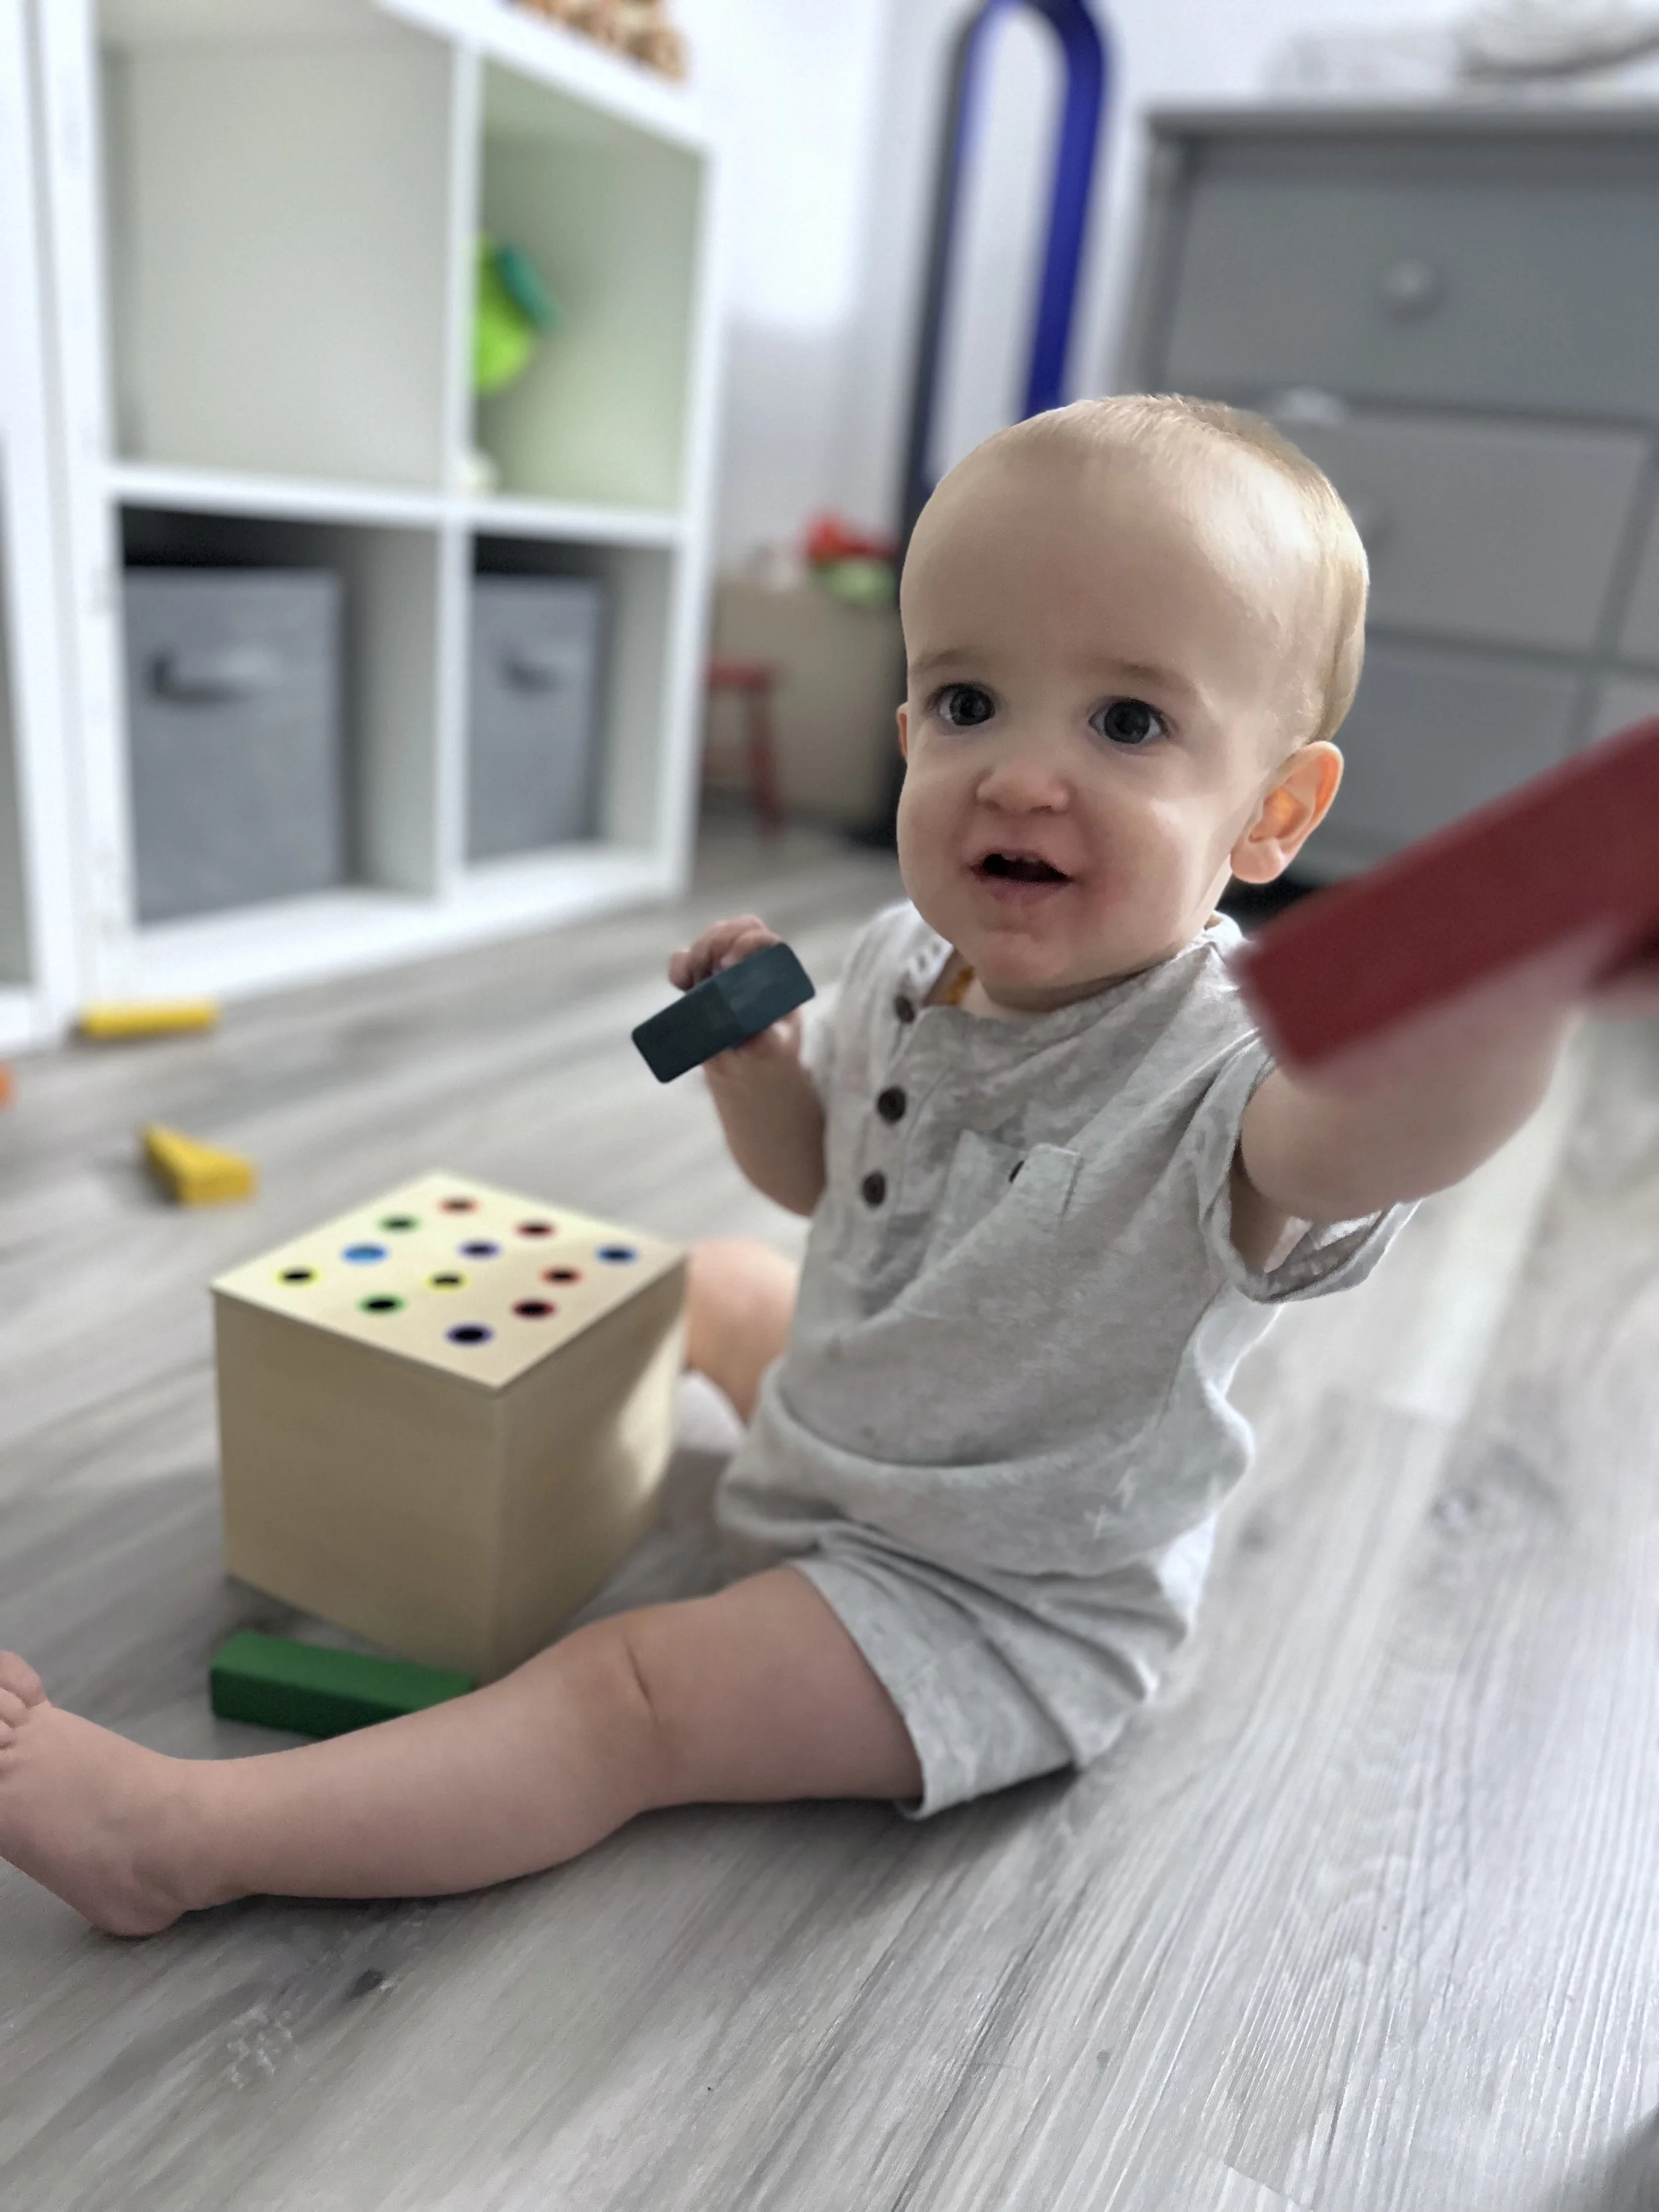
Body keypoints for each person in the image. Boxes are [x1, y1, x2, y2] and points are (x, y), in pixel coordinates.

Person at [0, 396, 1598, 1935]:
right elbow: (813, 1180)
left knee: (623, 1695)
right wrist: (757, 1065)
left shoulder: (1223, 1066)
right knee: (699, 1276)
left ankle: (173, 1843)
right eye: (968, 704)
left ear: (1270, 813)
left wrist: (1501, 997)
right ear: (903, 728)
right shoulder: (910, 952)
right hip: (844, 1440)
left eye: (1126, 722)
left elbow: (1357, 1145)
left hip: (991, 1600)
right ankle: (459, 1498)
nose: (1020, 775)